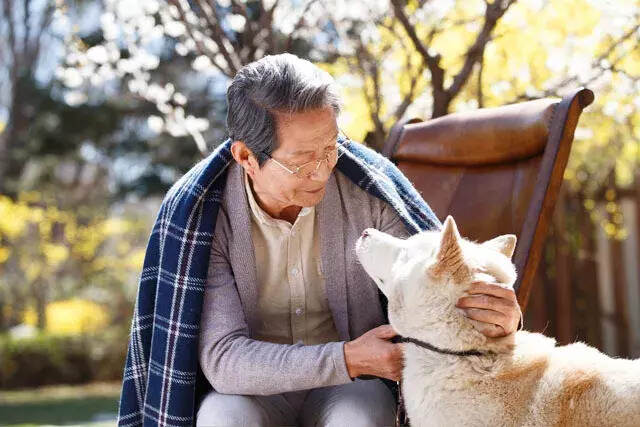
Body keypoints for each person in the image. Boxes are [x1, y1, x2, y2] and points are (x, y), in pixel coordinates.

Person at [193, 53, 522, 426]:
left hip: (354, 386)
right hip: (254, 388)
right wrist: (345, 357)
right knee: (222, 418)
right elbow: (224, 360)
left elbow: (436, 288)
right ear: (246, 156)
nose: (321, 171)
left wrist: (499, 319)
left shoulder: (370, 190)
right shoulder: (206, 215)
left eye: (331, 148)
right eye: (302, 160)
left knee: (360, 417)